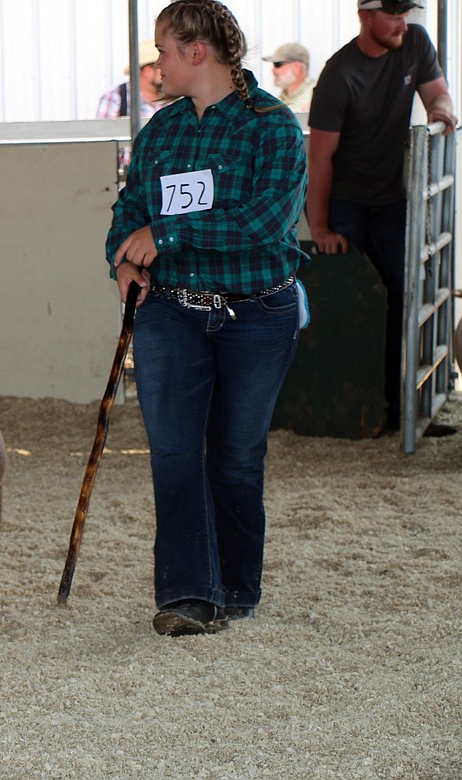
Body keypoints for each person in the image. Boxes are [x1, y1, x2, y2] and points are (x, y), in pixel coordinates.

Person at [105, 0, 309, 636]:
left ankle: (239, 587)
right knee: (173, 451)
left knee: (236, 453)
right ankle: (189, 594)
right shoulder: (160, 132)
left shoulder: (272, 128)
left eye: (164, 48)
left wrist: (164, 236)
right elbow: (128, 209)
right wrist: (121, 261)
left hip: (257, 314)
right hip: (170, 311)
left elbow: (265, 223)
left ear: (198, 52)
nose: (156, 62)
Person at [306, 0, 458, 437]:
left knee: (405, 297)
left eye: (404, 12)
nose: (401, 22)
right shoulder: (339, 74)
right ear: (365, 16)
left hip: (393, 198)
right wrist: (320, 228)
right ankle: (353, 409)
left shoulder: (414, 43)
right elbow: (320, 158)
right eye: (392, 13)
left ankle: (399, 410)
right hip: (346, 202)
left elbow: (437, 91)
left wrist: (442, 111)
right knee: (357, 299)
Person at [97, 39, 165, 119]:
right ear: (147, 70)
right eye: (160, 65)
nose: (166, 69)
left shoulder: (174, 96)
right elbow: (104, 130)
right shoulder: (115, 97)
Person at [262, 42, 316, 112]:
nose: (273, 70)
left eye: (277, 64)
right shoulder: (282, 97)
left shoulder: (317, 95)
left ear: (297, 67)